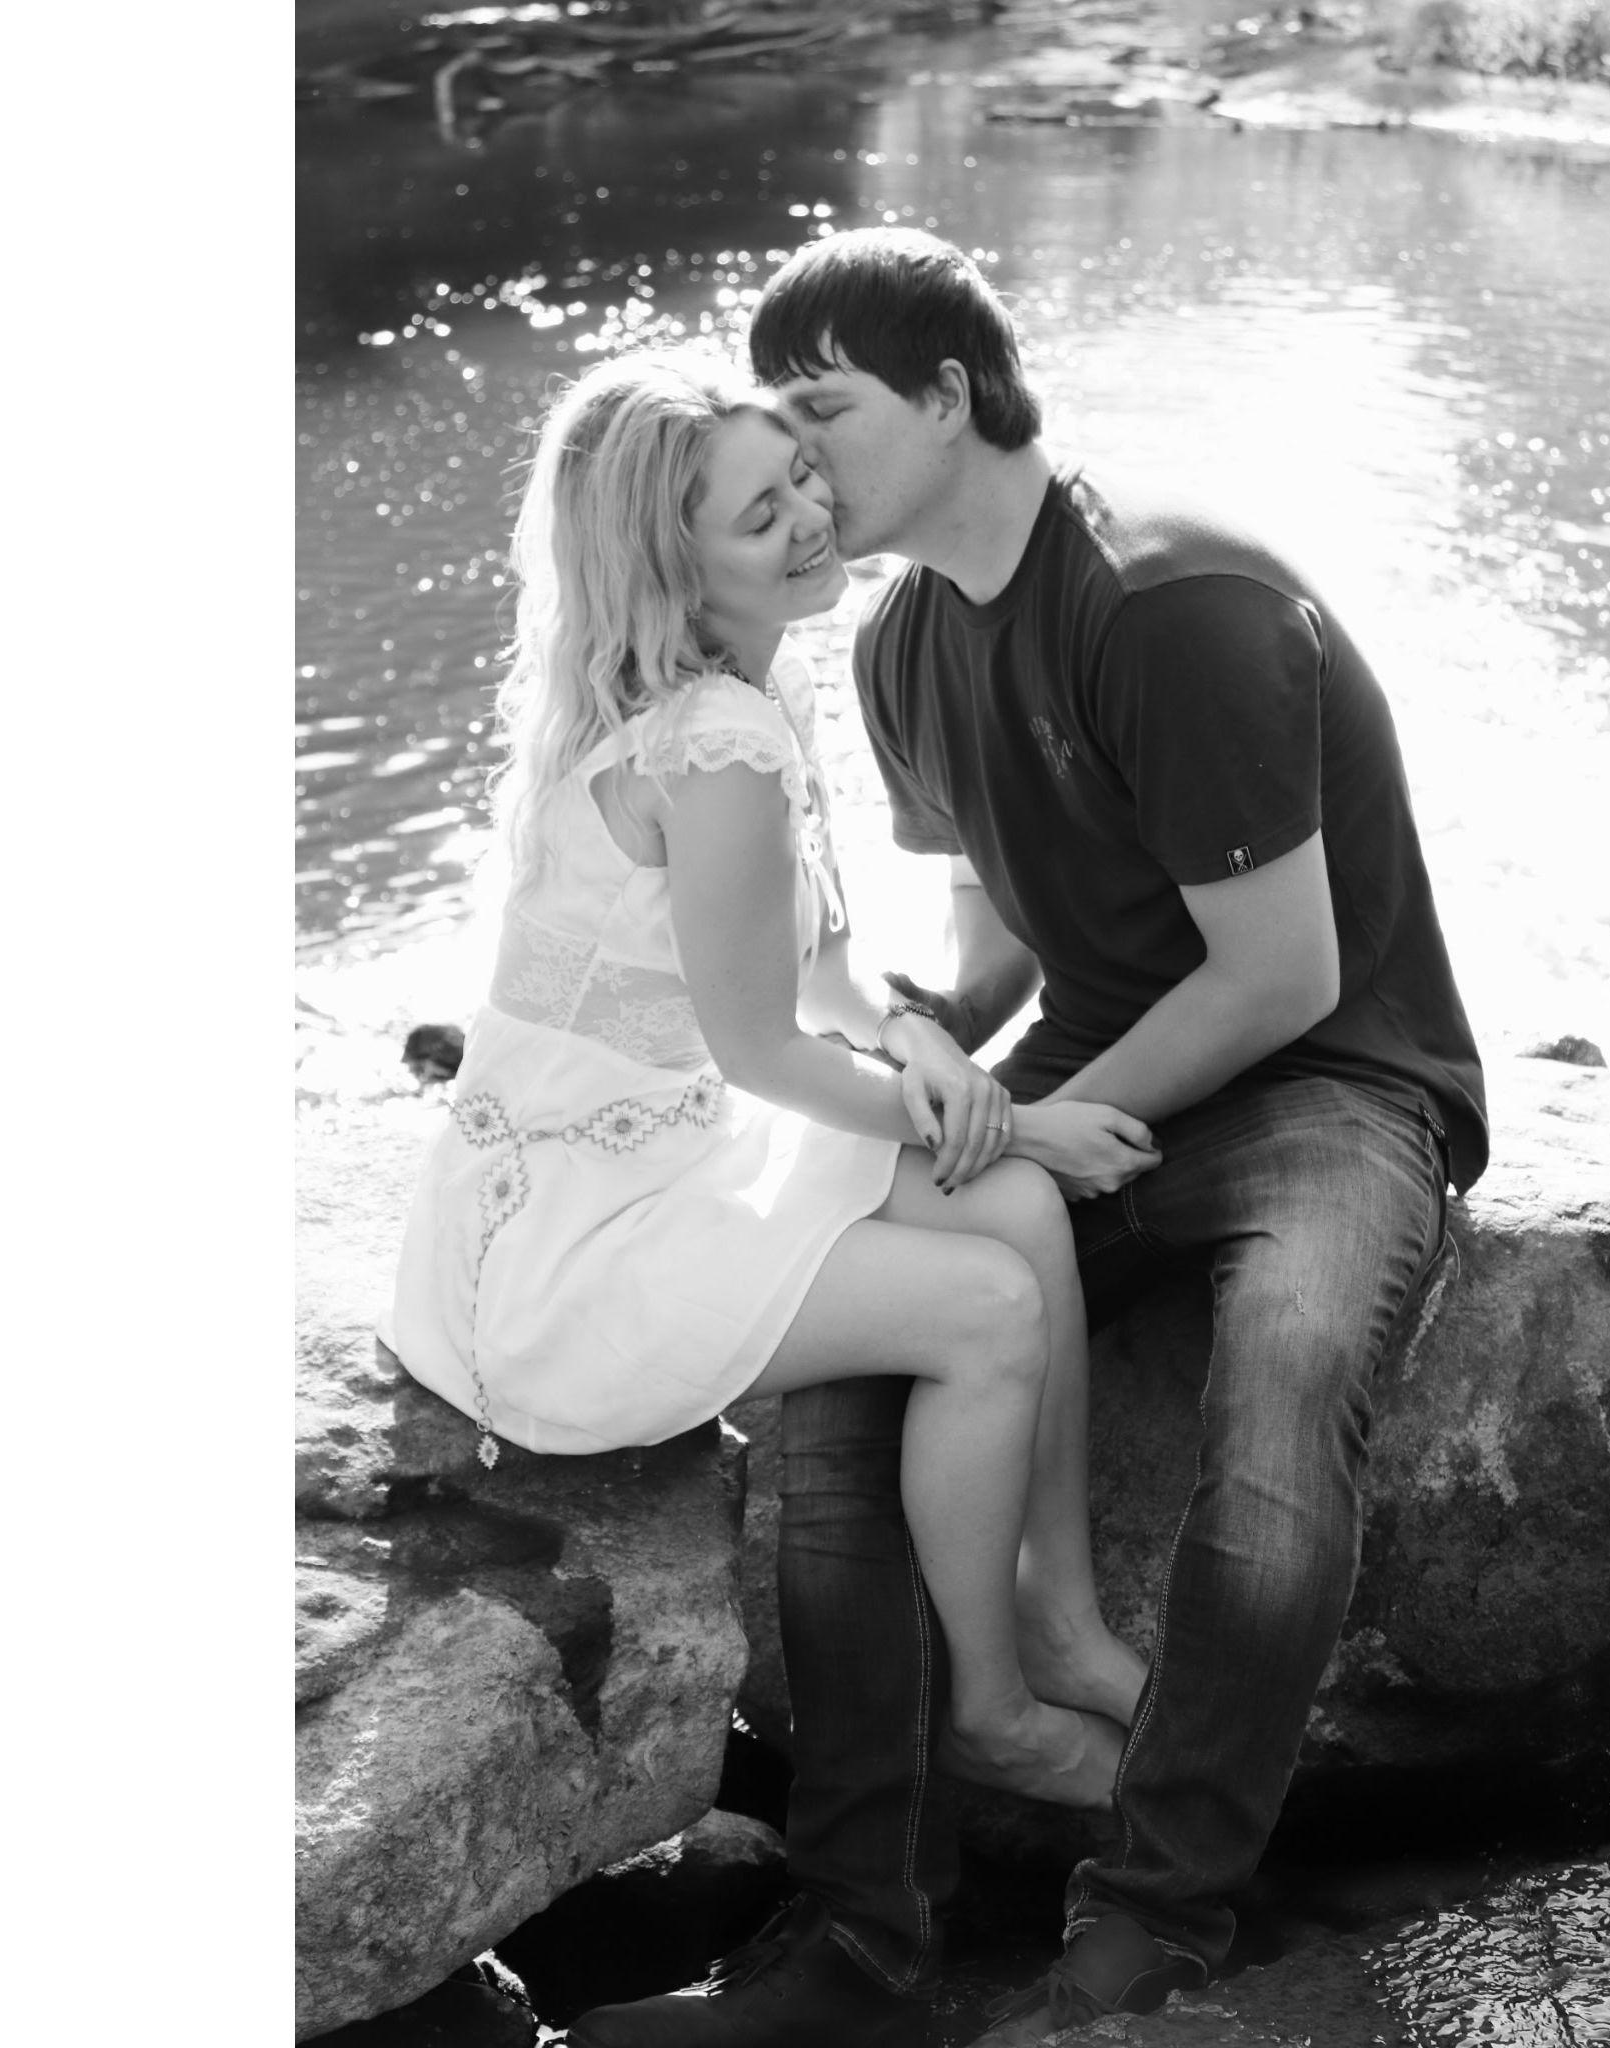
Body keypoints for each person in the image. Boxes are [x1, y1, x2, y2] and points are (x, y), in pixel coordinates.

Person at [566, 232, 1489, 2047]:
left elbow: (1286, 973)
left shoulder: (1166, 601)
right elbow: (996, 941)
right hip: (1099, 1073)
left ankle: (1154, 1922)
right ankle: (861, 1941)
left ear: (951, 396)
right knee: (850, 1350)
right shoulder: (904, 640)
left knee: (1289, 1383)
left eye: (824, 410)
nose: (800, 465)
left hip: (1334, 1082)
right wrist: (916, 1043)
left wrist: (1049, 1135)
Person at [386, 350, 1158, 1838]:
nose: (813, 515)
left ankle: (1063, 1620)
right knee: (988, 1303)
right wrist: (1021, 1115)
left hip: (653, 1158)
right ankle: (994, 1714)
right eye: (760, 515)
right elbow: (764, 1054)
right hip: (571, 1257)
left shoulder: (756, 685)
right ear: (675, 571)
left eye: (801, 474)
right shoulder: (711, 745)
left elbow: (825, 977)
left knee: (1014, 1209)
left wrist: (923, 1044)